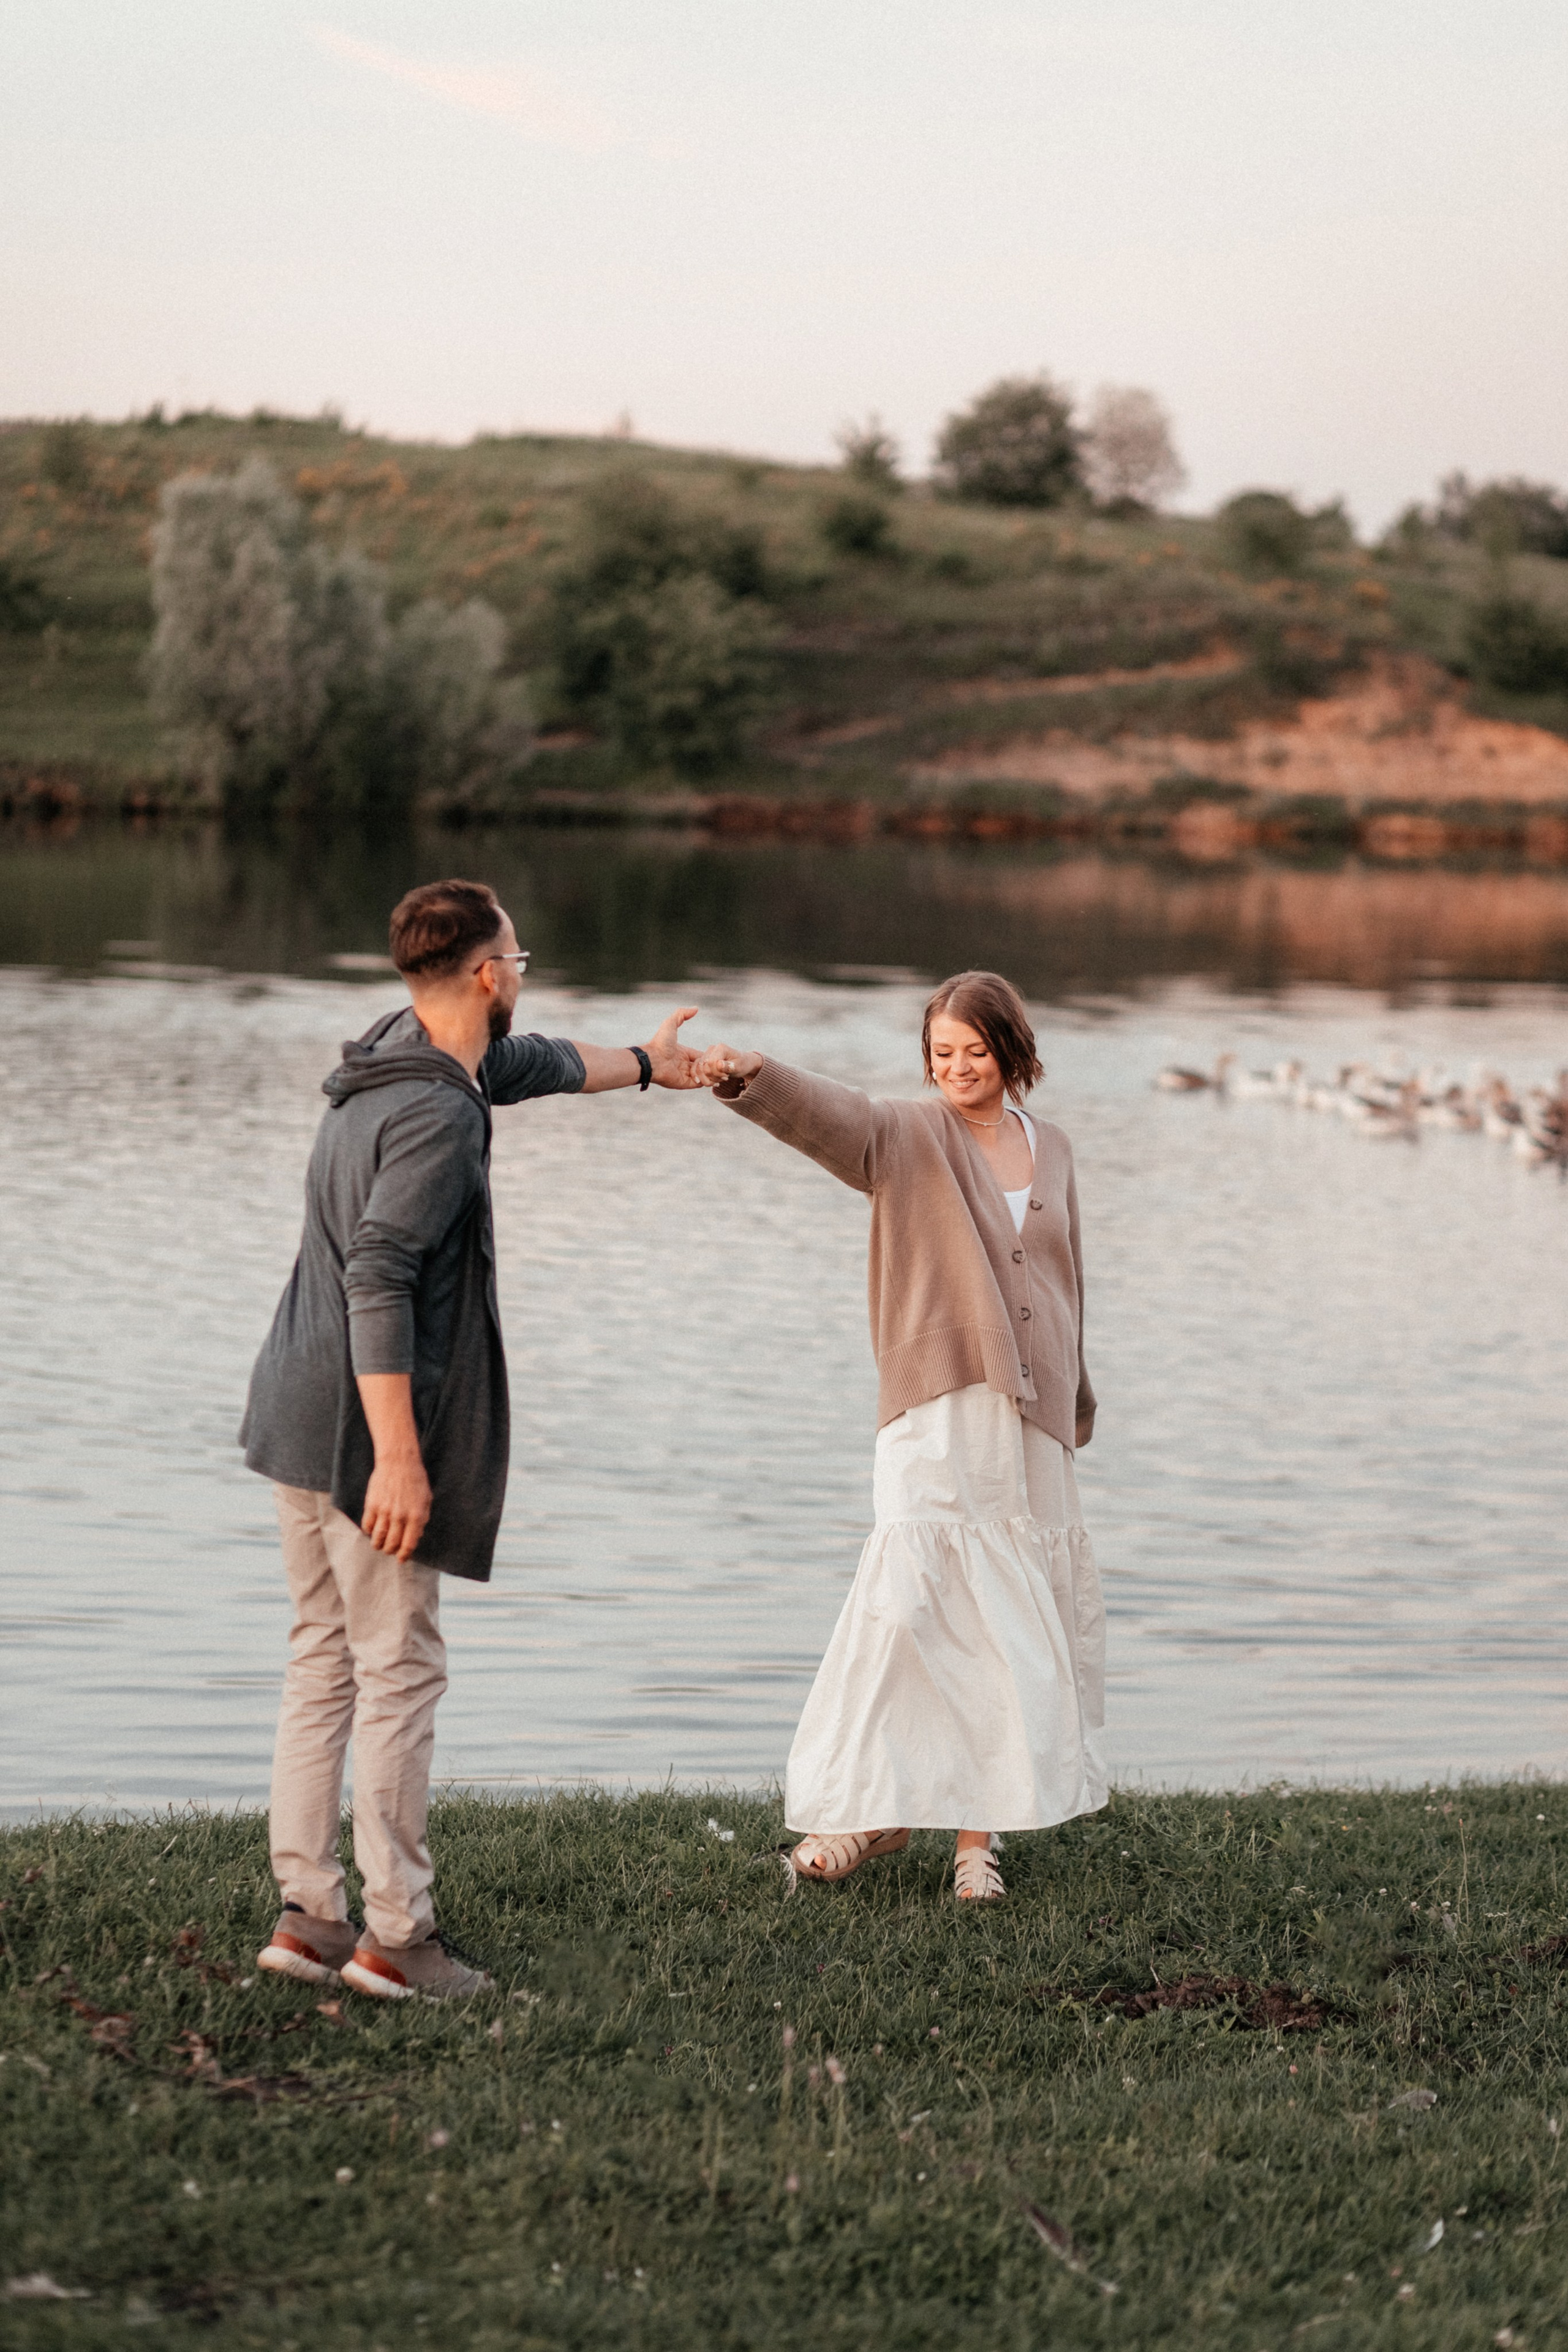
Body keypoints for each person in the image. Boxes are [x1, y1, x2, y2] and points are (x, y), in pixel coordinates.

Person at [239, 878, 704, 1998]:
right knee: (399, 1668)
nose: (523, 976)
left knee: (322, 1656)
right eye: (521, 959)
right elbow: (381, 1274)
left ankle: (309, 1917)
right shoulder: (439, 1110)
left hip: (293, 1410)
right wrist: (399, 1455)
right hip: (361, 1424)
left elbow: (530, 1062)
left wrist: (647, 1064)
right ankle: (400, 1939)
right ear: (487, 974)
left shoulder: (401, 1049)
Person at [695, 971, 1106, 1901]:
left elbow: (1068, 1277)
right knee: (912, 1609)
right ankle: (864, 1816)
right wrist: (751, 1075)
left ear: (1013, 1051)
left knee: (1011, 1618)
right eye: (940, 1054)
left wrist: (1076, 1399)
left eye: (974, 1051)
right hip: (937, 1400)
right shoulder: (907, 1135)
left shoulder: (1058, 1149)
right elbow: (827, 1115)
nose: (957, 1068)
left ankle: (976, 1845)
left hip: (1033, 1414)